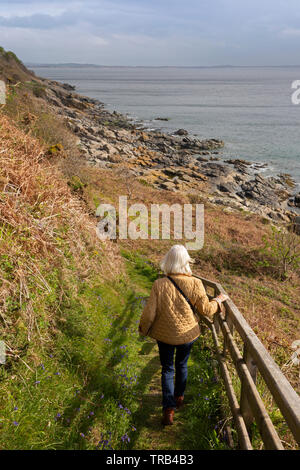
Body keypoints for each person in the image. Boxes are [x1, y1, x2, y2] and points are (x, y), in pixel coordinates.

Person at [138, 244, 228, 425]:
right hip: (187, 334)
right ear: (186, 262)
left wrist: (144, 328)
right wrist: (218, 301)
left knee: (167, 369)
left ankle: (168, 409)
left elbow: (149, 313)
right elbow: (206, 310)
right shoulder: (195, 282)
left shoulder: (159, 284)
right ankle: (179, 397)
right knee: (182, 365)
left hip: (164, 334)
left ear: (168, 261)